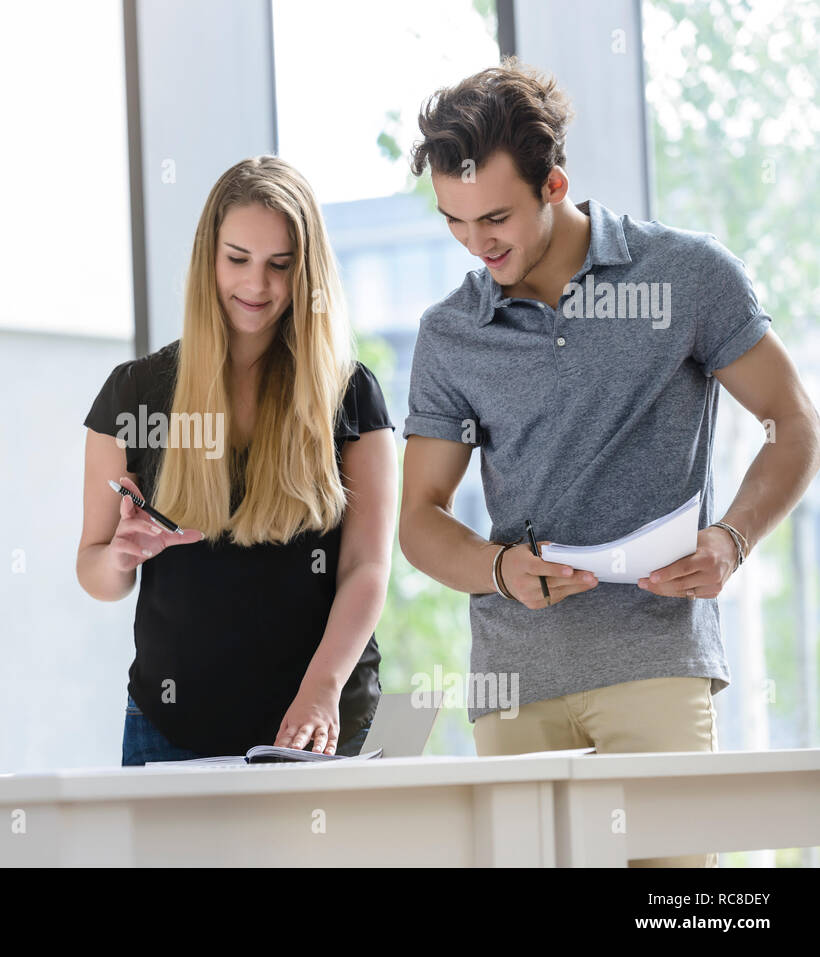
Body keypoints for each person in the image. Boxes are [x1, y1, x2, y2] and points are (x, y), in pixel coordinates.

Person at [398, 57, 820, 866]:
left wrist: (731, 539)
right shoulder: (449, 332)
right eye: (454, 220)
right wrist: (496, 568)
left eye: (495, 218)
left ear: (553, 185)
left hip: (656, 664)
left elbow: (793, 421)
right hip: (514, 679)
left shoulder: (690, 275)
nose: (475, 242)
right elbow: (420, 518)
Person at [77, 155, 397, 765]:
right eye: (238, 260)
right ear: (209, 259)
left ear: (307, 273)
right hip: (169, 728)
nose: (257, 286)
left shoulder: (351, 394)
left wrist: (321, 689)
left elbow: (366, 567)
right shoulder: (134, 394)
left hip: (323, 723)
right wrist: (119, 556)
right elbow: (94, 570)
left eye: (281, 265)